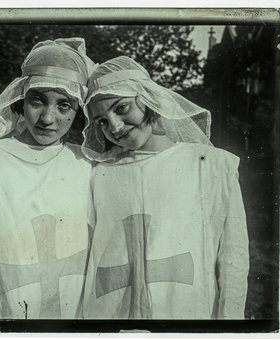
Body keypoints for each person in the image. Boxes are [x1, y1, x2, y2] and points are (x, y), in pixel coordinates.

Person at [79, 56, 249, 319]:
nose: (114, 126)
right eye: (101, 121)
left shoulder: (213, 166)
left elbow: (233, 259)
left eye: (122, 108)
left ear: (148, 98)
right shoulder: (100, 174)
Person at [0, 38, 94, 319]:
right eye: (38, 101)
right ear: (20, 100)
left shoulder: (85, 163)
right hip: (2, 305)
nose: (48, 118)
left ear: (79, 112)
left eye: (64, 106)